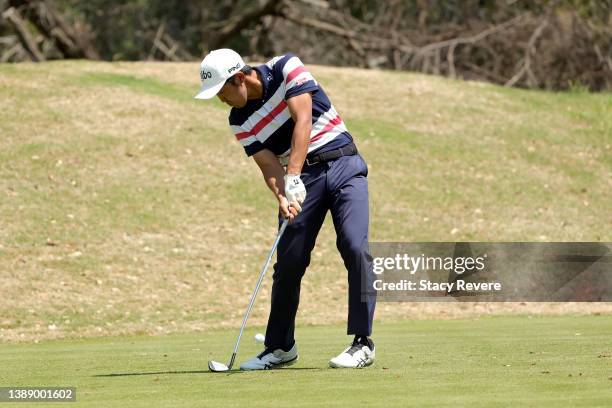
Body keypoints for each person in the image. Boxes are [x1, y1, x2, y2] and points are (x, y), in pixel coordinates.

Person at [195, 48, 376, 369]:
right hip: (301, 179)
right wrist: (283, 195)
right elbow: (267, 165)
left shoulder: (285, 68)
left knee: (354, 246)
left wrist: (292, 174)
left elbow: (303, 119)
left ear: (239, 78)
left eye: (222, 91)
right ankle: (280, 347)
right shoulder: (239, 119)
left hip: (343, 163)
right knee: (289, 263)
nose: (220, 99)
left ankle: (363, 343)